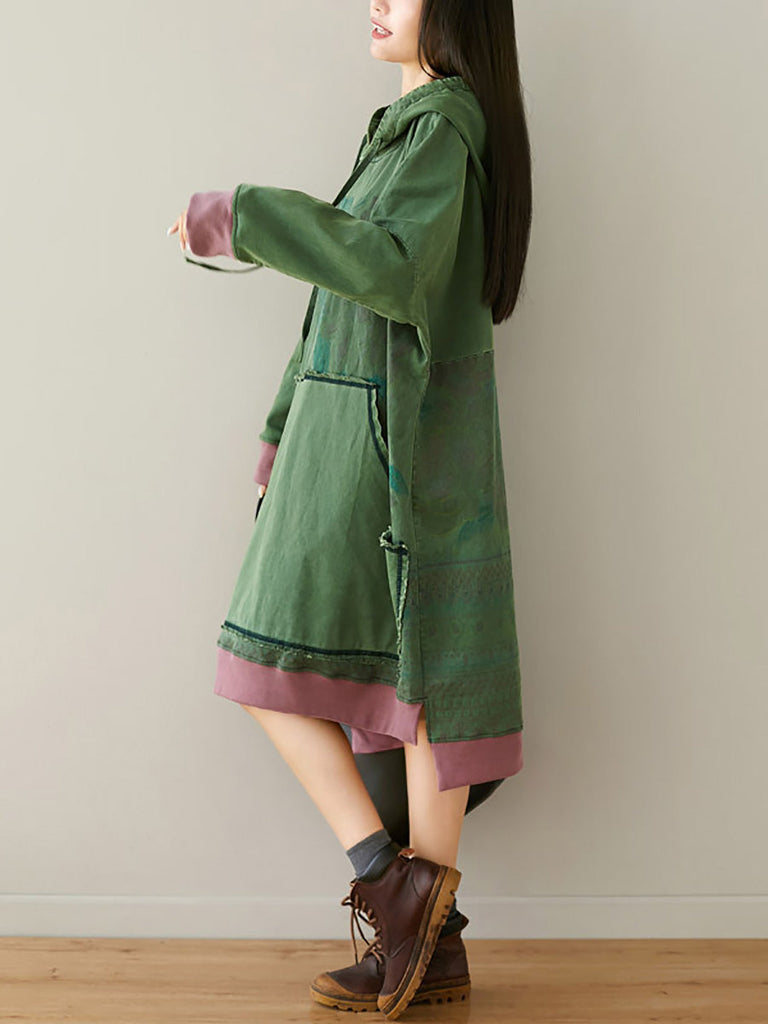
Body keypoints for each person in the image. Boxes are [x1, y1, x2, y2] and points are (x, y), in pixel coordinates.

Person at [168, 0, 532, 1016]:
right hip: (346, 444)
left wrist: (243, 212)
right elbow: (334, 306)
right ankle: (425, 932)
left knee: (412, 679)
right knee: (371, 673)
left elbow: (386, 268)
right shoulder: (407, 131)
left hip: (390, 450)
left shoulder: (446, 126)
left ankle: (396, 894)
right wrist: (279, 435)